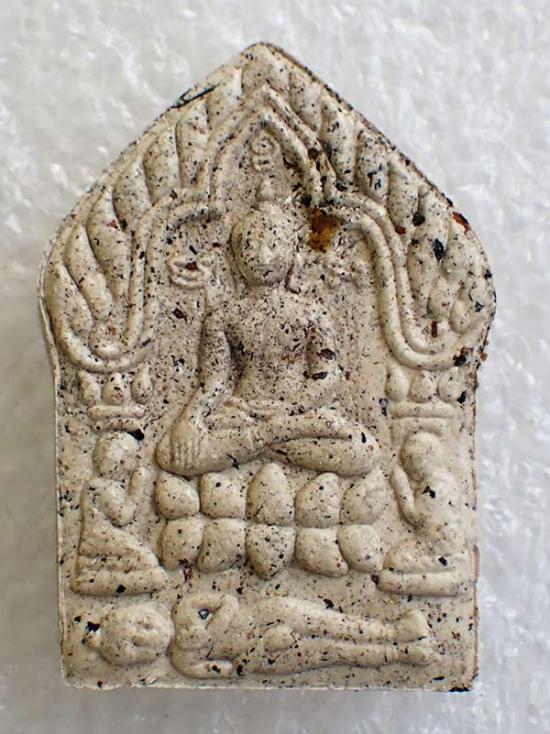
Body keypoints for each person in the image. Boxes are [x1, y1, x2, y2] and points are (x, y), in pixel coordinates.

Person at [157, 203, 378, 478]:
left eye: (274, 245)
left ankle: (257, 443)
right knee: (168, 452)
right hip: (241, 413)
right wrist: (189, 419)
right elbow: (213, 383)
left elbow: (326, 377)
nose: (263, 256)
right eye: (251, 247)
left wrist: (289, 408)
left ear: (293, 254)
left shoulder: (311, 312)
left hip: (296, 414)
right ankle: (270, 438)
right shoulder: (224, 317)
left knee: (364, 450)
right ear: (234, 258)